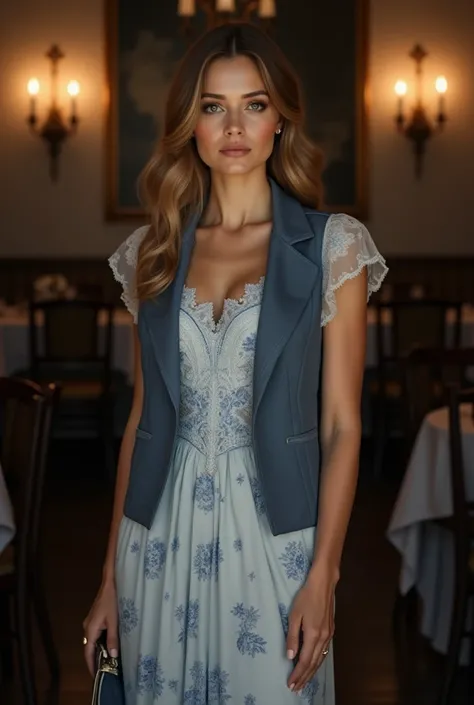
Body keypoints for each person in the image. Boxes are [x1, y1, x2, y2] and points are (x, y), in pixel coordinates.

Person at [83, 21, 388, 704]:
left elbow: (342, 425)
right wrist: (108, 576)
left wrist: (324, 575)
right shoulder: (152, 252)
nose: (234, 126)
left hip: (276, 537)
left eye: (254, 104)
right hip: (156, 539)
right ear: (191, 124)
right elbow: (141, 419)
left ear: (279, 118)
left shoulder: (331, 247)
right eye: (214, 107)